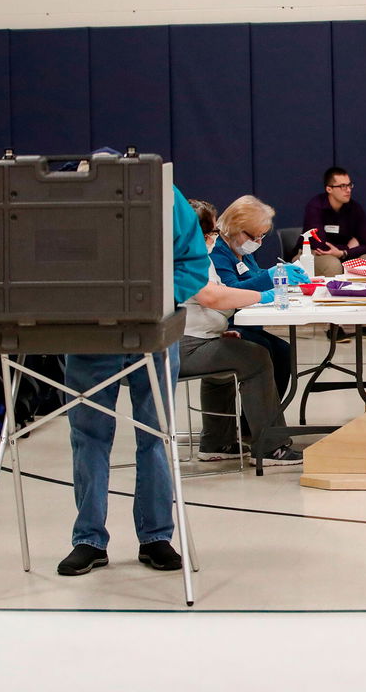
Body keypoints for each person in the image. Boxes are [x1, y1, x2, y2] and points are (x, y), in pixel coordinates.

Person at [57, 185, 209, 577]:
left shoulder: (165, 194)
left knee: (156, 433)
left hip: (154, 327)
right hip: (89, 328)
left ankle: (156, 536)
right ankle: (88, 539)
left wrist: (155, 300)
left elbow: (191, 262)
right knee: (88, 432)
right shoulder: (71, 197)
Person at [181, 200, 302, 466]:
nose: (214, 238)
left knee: (229, 356)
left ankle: (217, 442)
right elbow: (213, 296)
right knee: (255, 357)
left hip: (196, 338)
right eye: (210, 233)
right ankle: (271, 447)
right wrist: (262, 293)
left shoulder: (194, 255)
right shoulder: (184, 258)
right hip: (184, 345)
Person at [209, 195, 302, 398]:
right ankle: (254, 420)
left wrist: (276, 272)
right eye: (255, 237)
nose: (258, 242)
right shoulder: (218, 251)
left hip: (247, 324)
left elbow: (253, 274)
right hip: (228, 325)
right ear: (235, 227)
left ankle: (268, 414)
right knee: (267, 351)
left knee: (284, 351)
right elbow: (232, 289)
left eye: (262, 236)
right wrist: (269, 278)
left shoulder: (240, 247)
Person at [301, 167, 366, 277]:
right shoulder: (315, 206)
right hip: (314, 254)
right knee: (332, 264)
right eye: (343, 186)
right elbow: (320, 246)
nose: (348, 190)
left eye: (349, 185)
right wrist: (348, 247)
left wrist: (343, 253)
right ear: (329, 189)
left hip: (345, 255)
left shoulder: (355, 208)